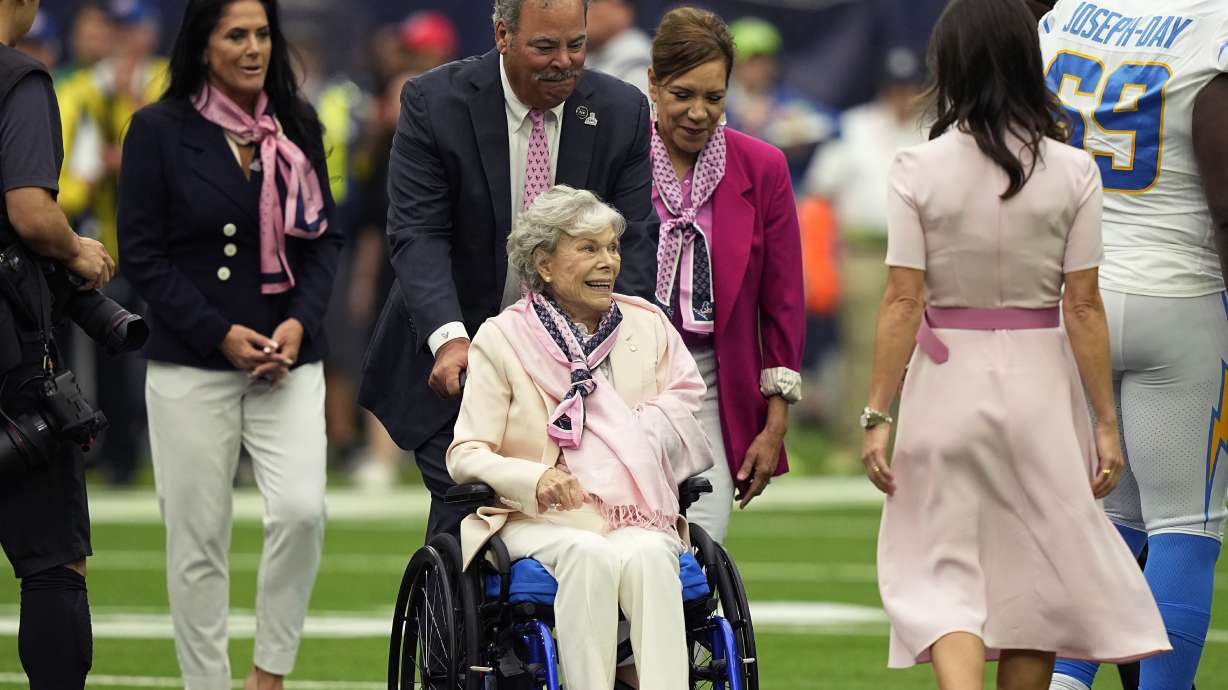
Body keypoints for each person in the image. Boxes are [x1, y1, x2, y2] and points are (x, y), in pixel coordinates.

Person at [863, 1, 1172, 688]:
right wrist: (1106, 424)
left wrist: (878, 412)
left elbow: (902, 300)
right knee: (1035, 581)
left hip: (946, 389)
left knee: (939, 571)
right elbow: (1083, 305)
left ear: (950, 66)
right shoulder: (1073, 170)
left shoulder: (917, 165)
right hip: (1040, 387)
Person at [359, 0, 660, 541]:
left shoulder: (622, 111)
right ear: (502, 35)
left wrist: (616, 352)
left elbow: (633, 245)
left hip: (579, 366)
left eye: (576, 45)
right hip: (459, 354)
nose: (564, 62)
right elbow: (419, 235)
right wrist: (449, 340)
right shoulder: (433, 103)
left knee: (585, 526)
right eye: (545, 47)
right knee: (470, 518)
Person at [116, 0, 342, 688]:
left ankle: (268, 675)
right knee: (197, 542)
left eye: (263, 33)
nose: (254, 48)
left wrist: (300, 322)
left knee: (303, 512)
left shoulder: (296, 121)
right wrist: (219, 332)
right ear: (203, 45)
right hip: (194, 359)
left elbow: (324, 238)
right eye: (236, 34)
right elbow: (143, 256)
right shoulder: (157, 129)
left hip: (287, 354)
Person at [450, 184, 714, 689]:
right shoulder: (502, 338)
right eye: (588, 248)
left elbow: (685, 401)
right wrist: (535, 476)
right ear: (545, 264)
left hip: (636, 510)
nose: (608, 262)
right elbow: (466, 453)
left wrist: (629, 437)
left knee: (651, 554)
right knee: (587, 553)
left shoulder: (648, 323)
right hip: (537, 517)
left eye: (612, 247)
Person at [1037, 2, 1228, 689]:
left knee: (1105, 515)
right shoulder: (1211, 26)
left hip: (1075, 296)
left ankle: (1063, 681)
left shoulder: (1067, 19)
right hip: (1181, 293)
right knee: (1187, 525)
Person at [646, 7, 804, 544]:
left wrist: (775, 422)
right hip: (619, 377)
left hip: (712, 377)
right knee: (626, 545)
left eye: (714, 98)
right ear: (652, 83)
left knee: (701, 550)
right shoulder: (620, 157)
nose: (697, 113)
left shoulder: (763, 168)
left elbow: (782, 301)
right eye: (682, 95)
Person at [0, 0, 116, 688]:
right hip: (10, 359)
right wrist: (79, 252)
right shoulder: (19, 79)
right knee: (52, 563)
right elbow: (29, 212)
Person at [584, 0, 651, 95]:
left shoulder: (636, 61)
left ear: (624, 11)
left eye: (596, 2)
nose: (587, 8)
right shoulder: (593, 53)